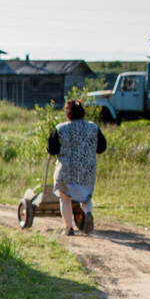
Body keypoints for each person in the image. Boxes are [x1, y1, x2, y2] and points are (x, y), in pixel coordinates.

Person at [46, 99, 108, 235]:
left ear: (67, 113)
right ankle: (88, 213)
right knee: (86, 198)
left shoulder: (61, 128)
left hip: (66, 172)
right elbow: (102, 147)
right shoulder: (93, 127)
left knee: (65, 199)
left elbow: (51, 148)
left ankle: (69, 228)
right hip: (87, 171)